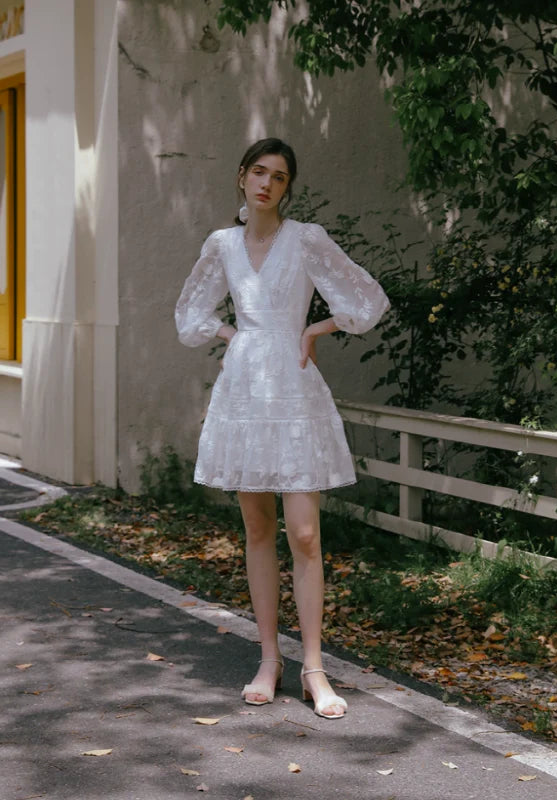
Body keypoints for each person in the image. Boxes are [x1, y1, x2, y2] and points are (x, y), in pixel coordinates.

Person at [175, 138, 390, 719]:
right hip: (245, 391)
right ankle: (269, 659)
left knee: (304, 533)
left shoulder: (307, 240)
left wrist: (315, 331)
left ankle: (314, 667)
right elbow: (191, 314)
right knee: (258, 528)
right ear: (242, 177)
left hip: (294, 393)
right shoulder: (222, 245)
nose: (268, 183)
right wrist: (231, 337)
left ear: (287, 187)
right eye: (260, 172)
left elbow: (366, 299)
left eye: (280, 176)